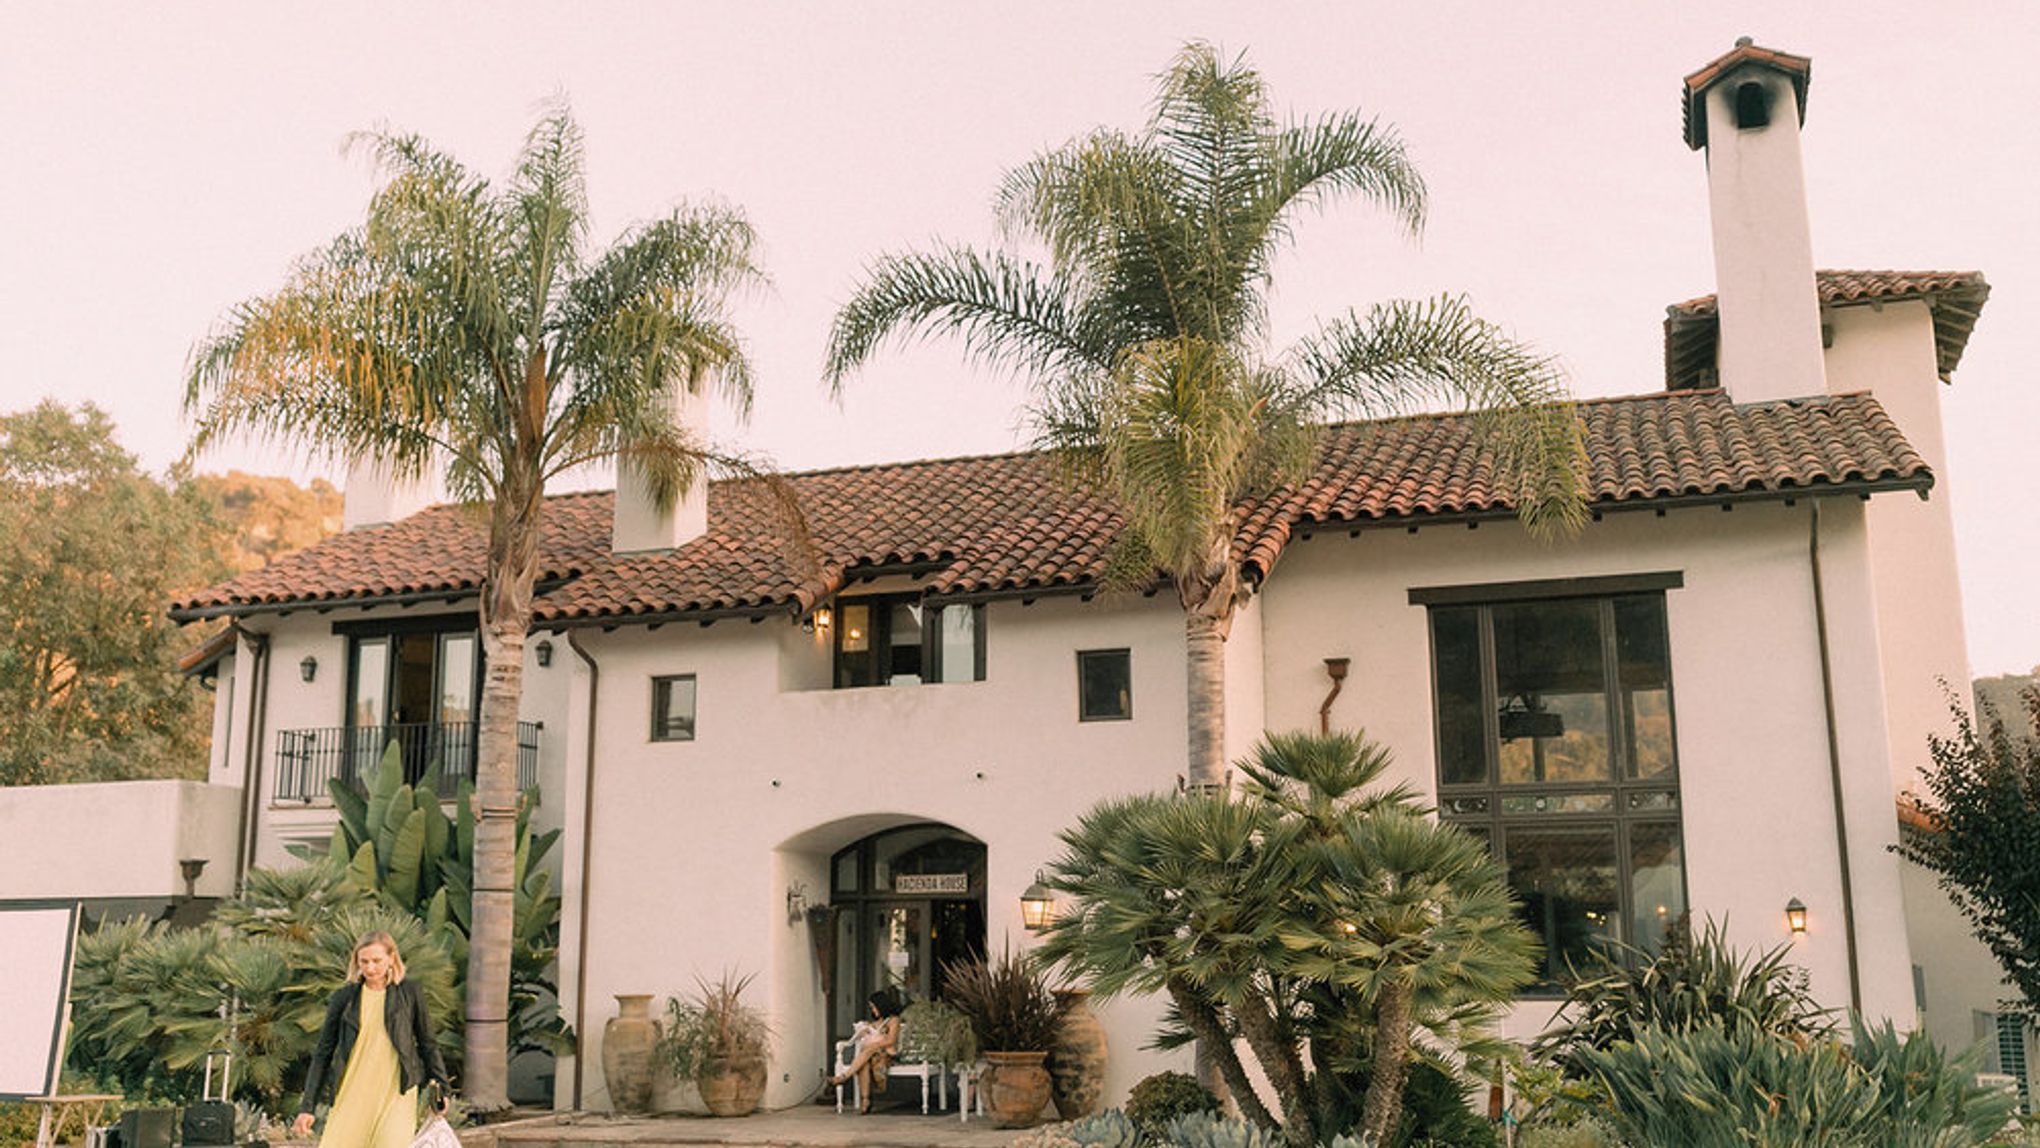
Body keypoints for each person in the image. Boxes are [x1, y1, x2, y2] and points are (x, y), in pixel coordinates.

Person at [292, 931, 452, 1147]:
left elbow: (428, 1044)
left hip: (397, 1095)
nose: (370, 968)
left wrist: (442, 1088)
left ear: (391, 959)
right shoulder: (344, 998)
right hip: (352, 1095)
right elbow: (323, 1053)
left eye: (376, 961)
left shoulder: (410, 993)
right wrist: (307, 1107)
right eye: (364, 961)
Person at [829, 989, 902, 1113]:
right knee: (864, 1064)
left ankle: (844, 1077)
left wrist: (874, 1044)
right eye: (871, 1007)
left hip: (887, 1055)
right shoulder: (874, 1023)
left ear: (881, 1005)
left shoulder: (893, 1020)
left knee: (869, 1050)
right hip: (871, 1056)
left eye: (873, 1007)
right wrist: (864, 1031)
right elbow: (865, 1038)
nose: (872, 1010)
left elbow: (891, 1041)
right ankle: (865, 1100)